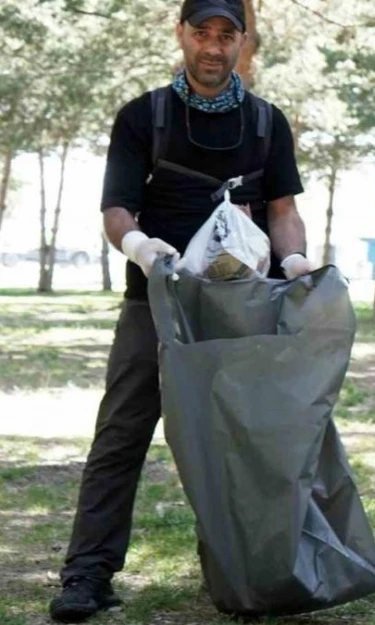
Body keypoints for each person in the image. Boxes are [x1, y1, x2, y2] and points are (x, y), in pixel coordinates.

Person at [49, 1, 314, 621]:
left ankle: (247, 575)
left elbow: (281, 210)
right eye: (202, 33)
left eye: (227, 35)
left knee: (241, 444)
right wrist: (139, 247)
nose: (213, 47)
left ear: (242, 43)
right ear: (182, 35)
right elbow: (117, 208)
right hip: (156, 299)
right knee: (120, 435)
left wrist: (296, 260)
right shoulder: (144, 117)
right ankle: (87, 574)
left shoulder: (266, 123)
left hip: (242, 308)